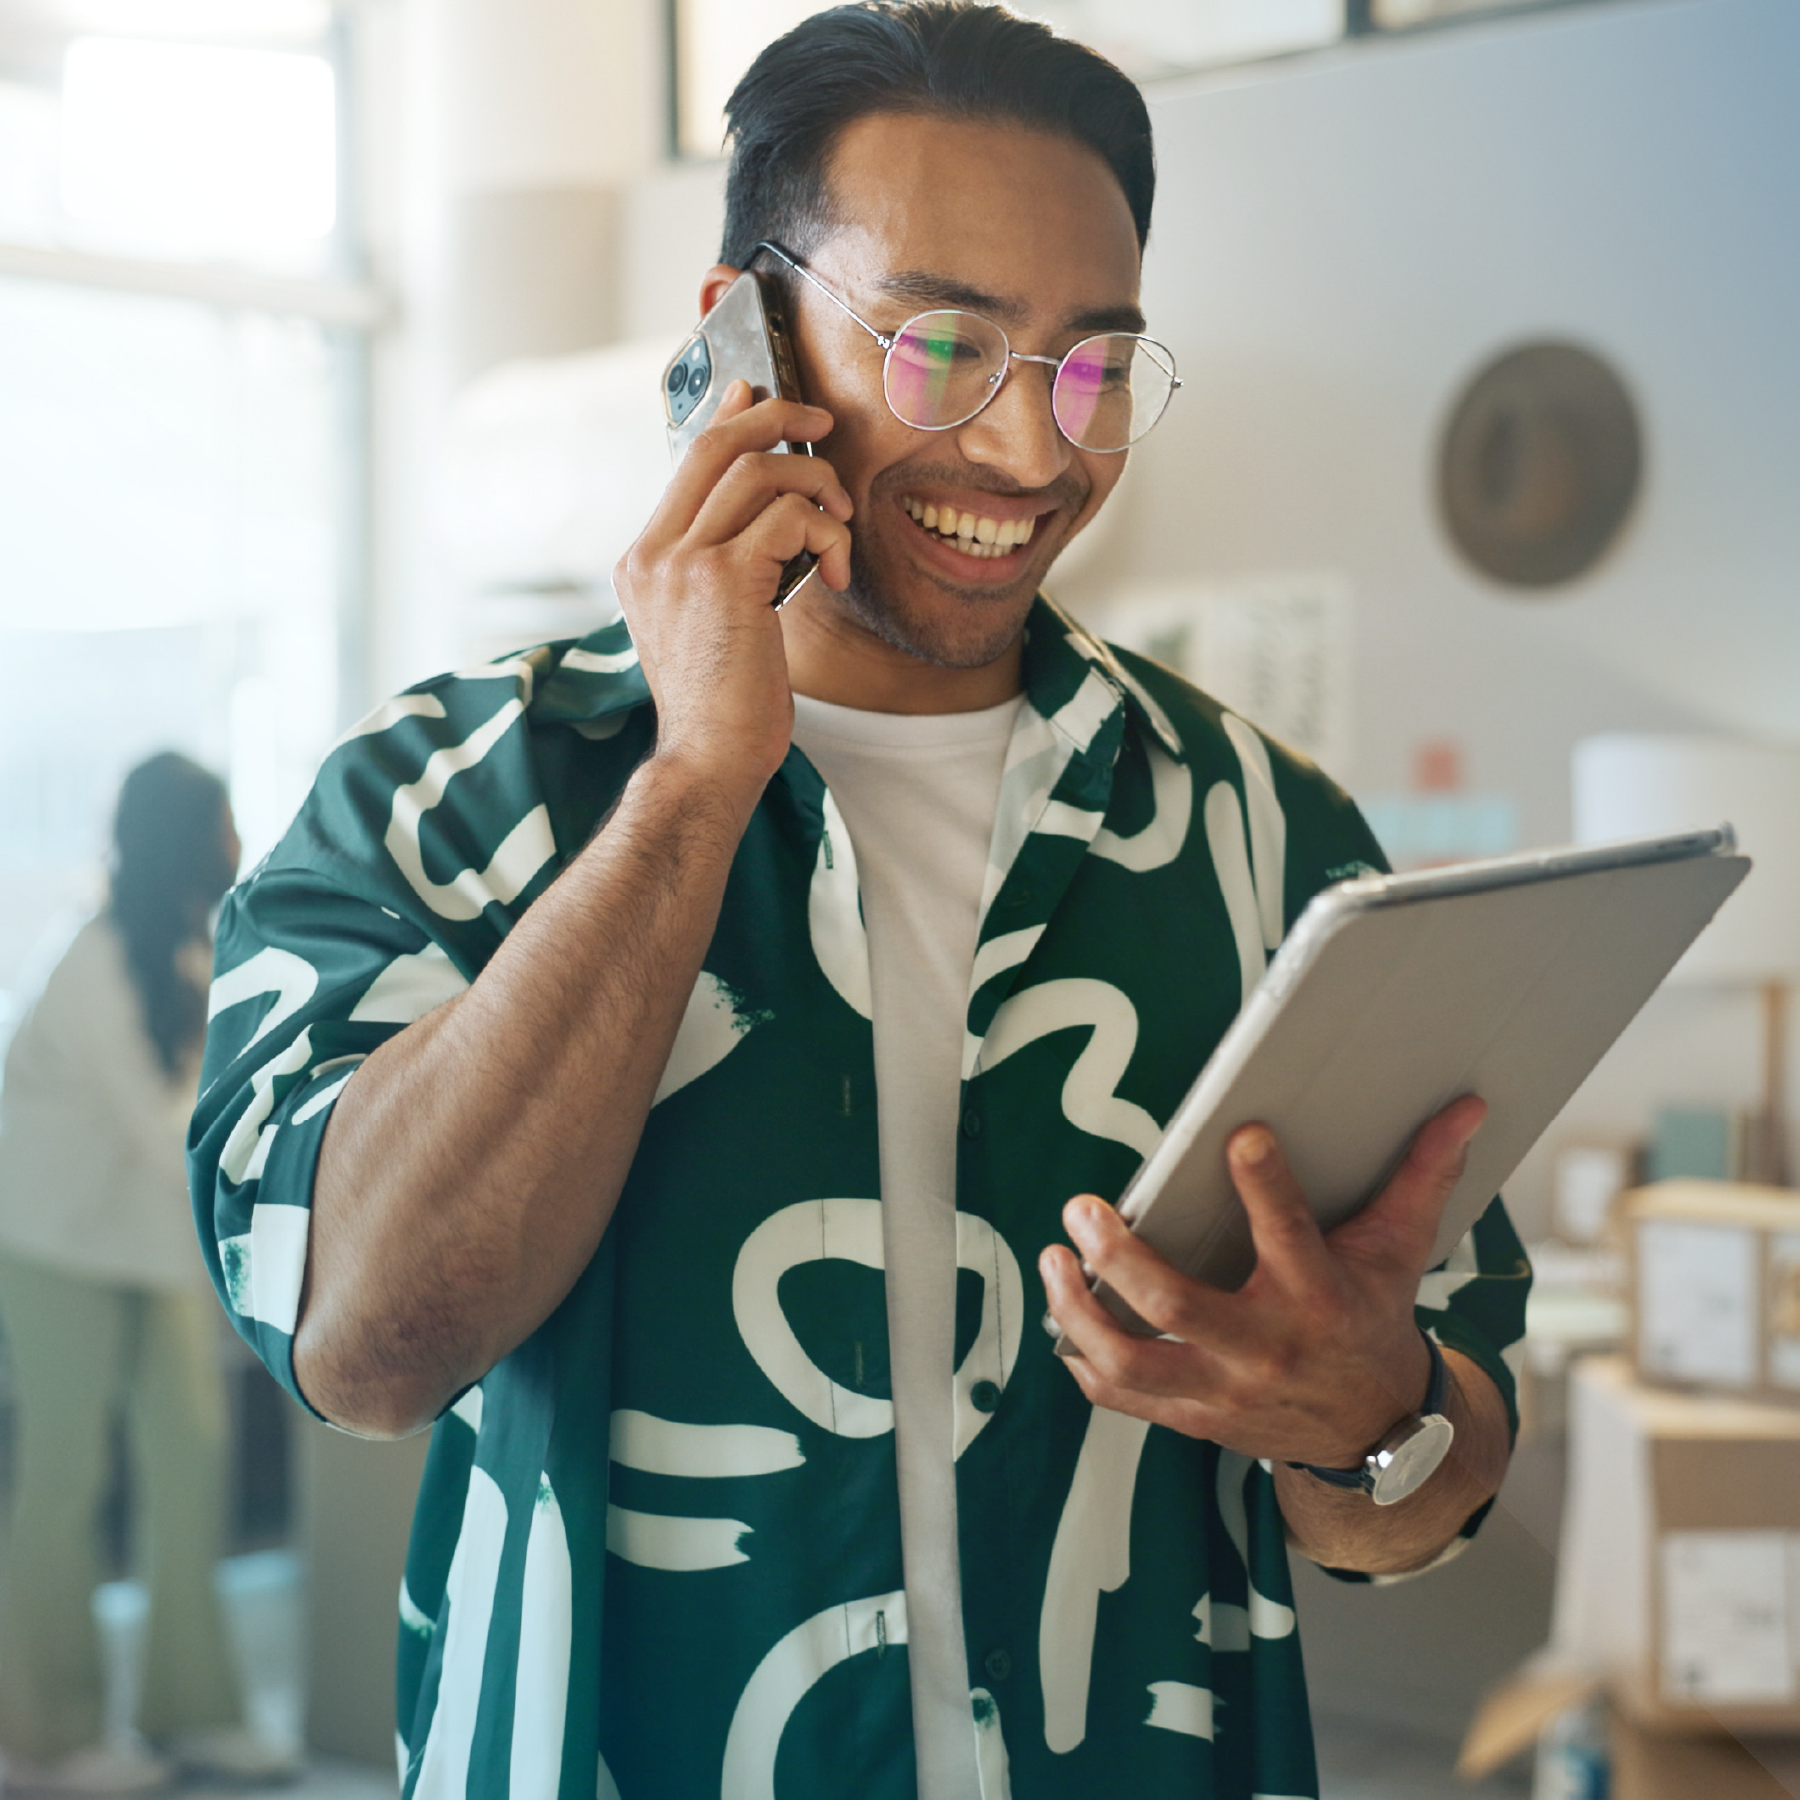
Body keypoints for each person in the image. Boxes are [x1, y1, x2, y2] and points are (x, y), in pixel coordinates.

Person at [190, 5, 1529, 1796]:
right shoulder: (445, 800)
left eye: (1091, 366)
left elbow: (1431, 1494)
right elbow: (358, 1342)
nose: (1035, 457)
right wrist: (688, 790)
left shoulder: (1272, 841)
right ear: (741, 331)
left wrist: (1372, 1426)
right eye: (943, 345)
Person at [0, 754, 291, 1790]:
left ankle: (192, 1709)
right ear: (182, 835)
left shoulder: (202, 944)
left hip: (149, 1242)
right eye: (222, 822)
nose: (237, 839)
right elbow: (182, 1133)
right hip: (53, 1240)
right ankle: (48, 1735)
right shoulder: (89, 960)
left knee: (189, 1457)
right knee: (65, 1473)